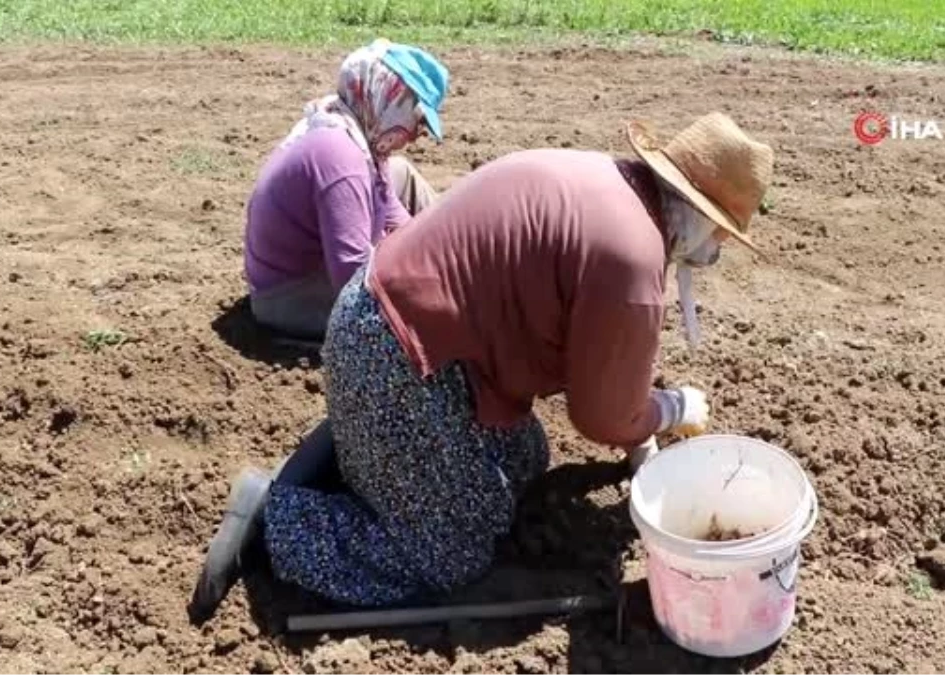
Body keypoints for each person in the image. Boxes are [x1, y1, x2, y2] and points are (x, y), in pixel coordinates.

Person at [187, 112, 775, 625]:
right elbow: (600, 414)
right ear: (700, 216)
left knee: (522, 455)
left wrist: (639, 427)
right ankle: (277, 518)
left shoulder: (609, 184)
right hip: (394, 354)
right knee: (449, 555)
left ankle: (360, 448)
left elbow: (607, 369)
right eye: (723, 232)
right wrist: (669, 410)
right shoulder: (632, 257)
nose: (718, 249)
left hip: (401, 334)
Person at [242, 38, 449, 341]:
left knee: (401, 172)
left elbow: (396, 217)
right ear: (389, 101)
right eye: (417, 122)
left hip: (309, 271)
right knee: (427, 324)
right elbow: (352, 275)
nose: (418, 136)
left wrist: (436, 259)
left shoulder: (353, 133)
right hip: (289, 299)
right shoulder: (340, 156)